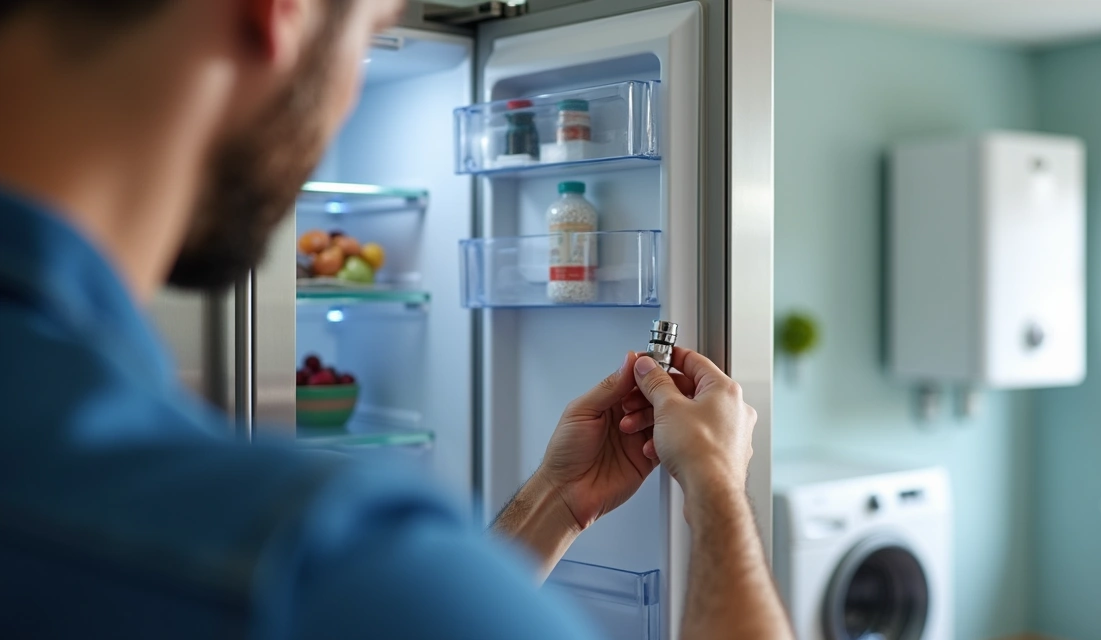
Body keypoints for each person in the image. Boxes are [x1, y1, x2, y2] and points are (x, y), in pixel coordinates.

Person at [0, 0, 792, 638]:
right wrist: (717, 489)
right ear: (280, 13)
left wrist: (560, 497)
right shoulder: (310, 567)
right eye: (370, 34)